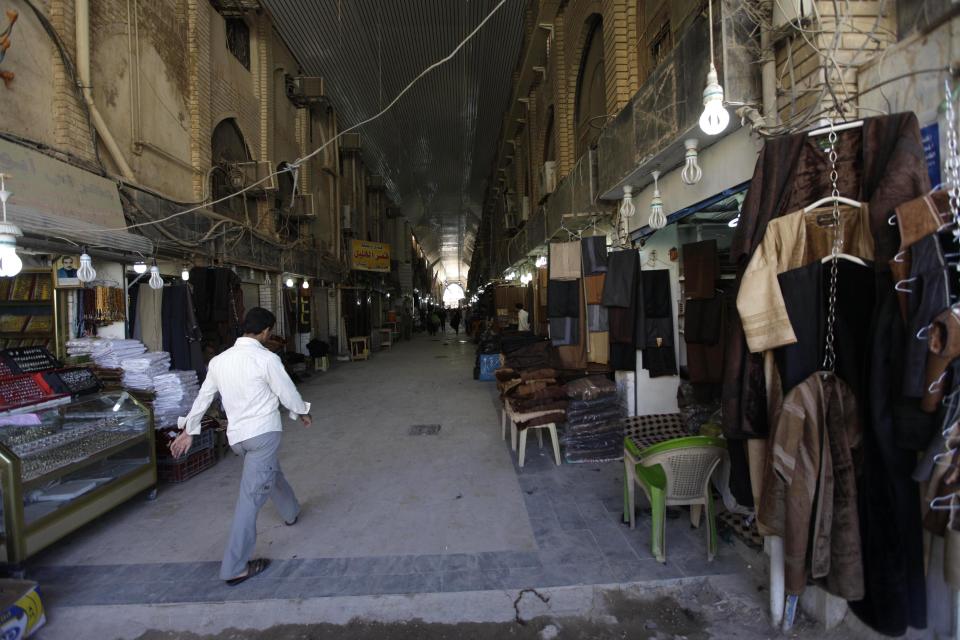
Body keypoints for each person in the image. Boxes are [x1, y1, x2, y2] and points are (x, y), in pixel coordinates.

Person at [170, 307, 312, 586]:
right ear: (265, 332)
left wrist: (189, 429)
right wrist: (301, 411)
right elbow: (286, 392)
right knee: (249, 500)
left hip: (238, 439)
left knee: (271, 472)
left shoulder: (220, 361)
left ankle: (291, 511)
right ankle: (235, 567)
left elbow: (204, 397)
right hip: (263, 434)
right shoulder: (267, 358)